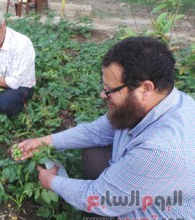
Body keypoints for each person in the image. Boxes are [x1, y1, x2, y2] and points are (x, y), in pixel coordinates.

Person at [15, 37, 195, 218]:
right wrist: (44, 142)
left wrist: (50, 181)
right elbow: (96, 131)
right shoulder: (164, 99)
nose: (103, 94)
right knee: (92, 153)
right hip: (150, 181)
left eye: (109, 90)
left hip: (163, 211)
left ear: (145, 88)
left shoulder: (159, 150)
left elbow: (99, 198)